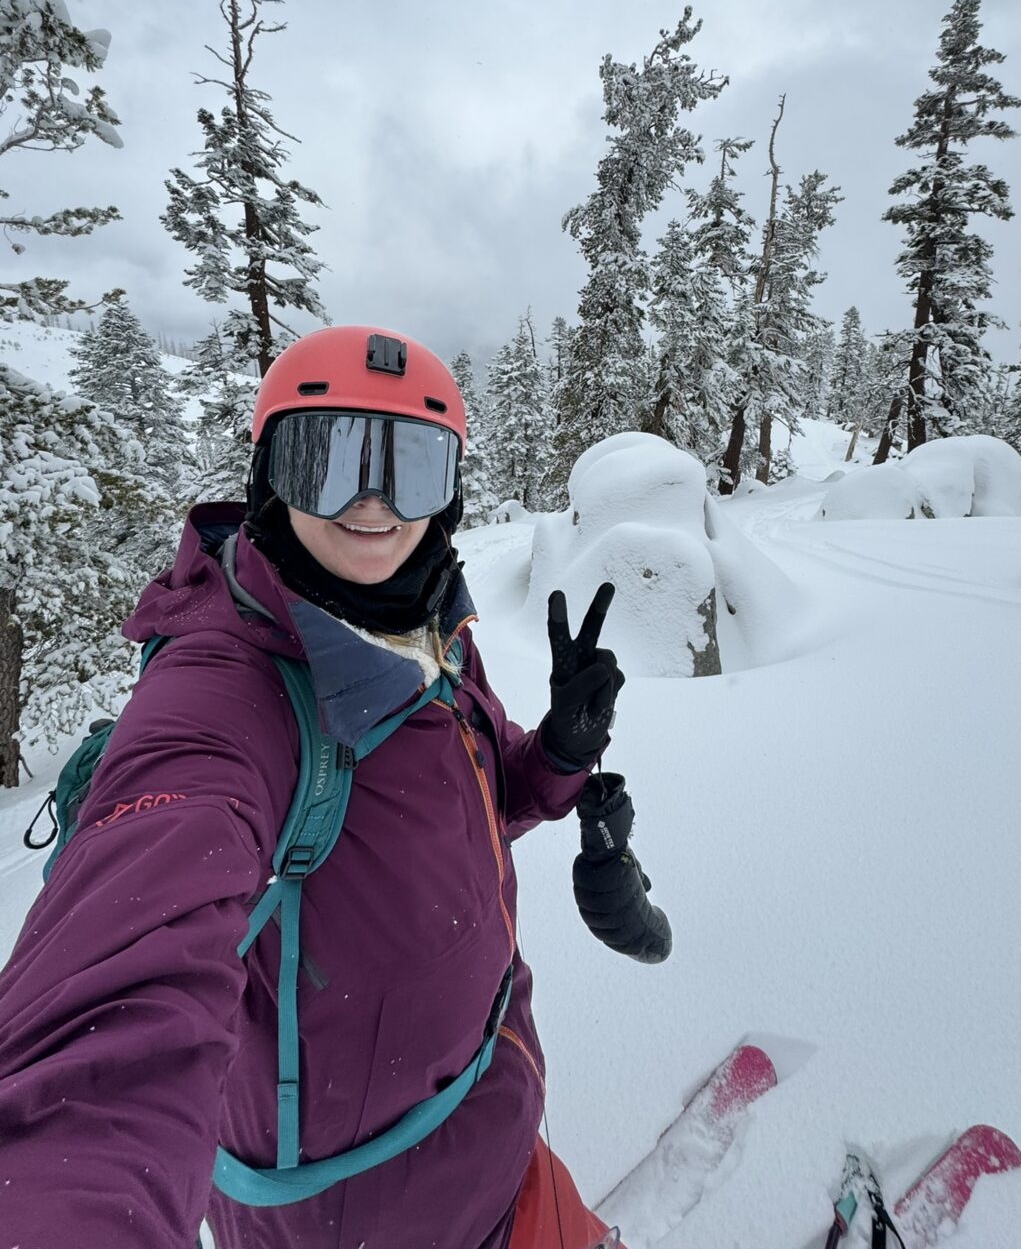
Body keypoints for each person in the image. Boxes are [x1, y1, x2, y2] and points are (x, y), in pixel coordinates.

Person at [0, 325, 626, 1249]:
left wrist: (558, 758)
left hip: (494, 1124)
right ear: (268, 475)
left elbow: (471, 810)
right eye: (327, 457)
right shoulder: (221, 698)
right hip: (374, 1218)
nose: (373, 504)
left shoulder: (430, 626)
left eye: (408, 464)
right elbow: (102, 1044)